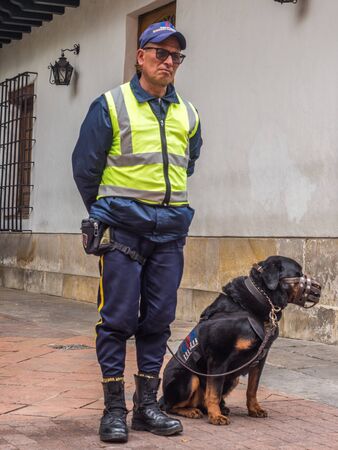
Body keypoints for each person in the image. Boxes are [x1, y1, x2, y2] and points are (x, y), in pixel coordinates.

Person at [72, 21, 202, 444]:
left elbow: (188, 164)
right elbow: (85, 168)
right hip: (123, 232)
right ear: (140, 56)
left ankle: (147, 407)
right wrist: (106, 214)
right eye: (160, 53)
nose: (168, 61)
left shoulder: (190, 113)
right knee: (117, 319)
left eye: (175, 56)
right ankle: (114, 410)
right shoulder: (110, 105)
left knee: (159, 320)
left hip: (169, 234)